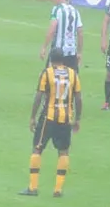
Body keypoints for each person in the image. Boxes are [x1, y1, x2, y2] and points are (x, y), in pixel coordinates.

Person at [21, 48, 82, 198]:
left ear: (51, 59)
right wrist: (77, 119)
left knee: (37, 149)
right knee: (63, 151)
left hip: (48, 117)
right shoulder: (73, 74)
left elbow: (39, 95)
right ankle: (58, 190)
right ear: (63, 60)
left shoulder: (47, 73)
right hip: (66, 119)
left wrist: (32, 117)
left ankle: (33, 187)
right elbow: (79, 98)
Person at [40, 0, 83, 71]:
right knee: (72, 80)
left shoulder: (57, 9)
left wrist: (44, 47)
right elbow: (80, 33)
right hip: (71, 53)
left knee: (49, 79)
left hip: (58, 52)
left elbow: (52, 29)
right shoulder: (75, 11)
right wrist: (79, 52)